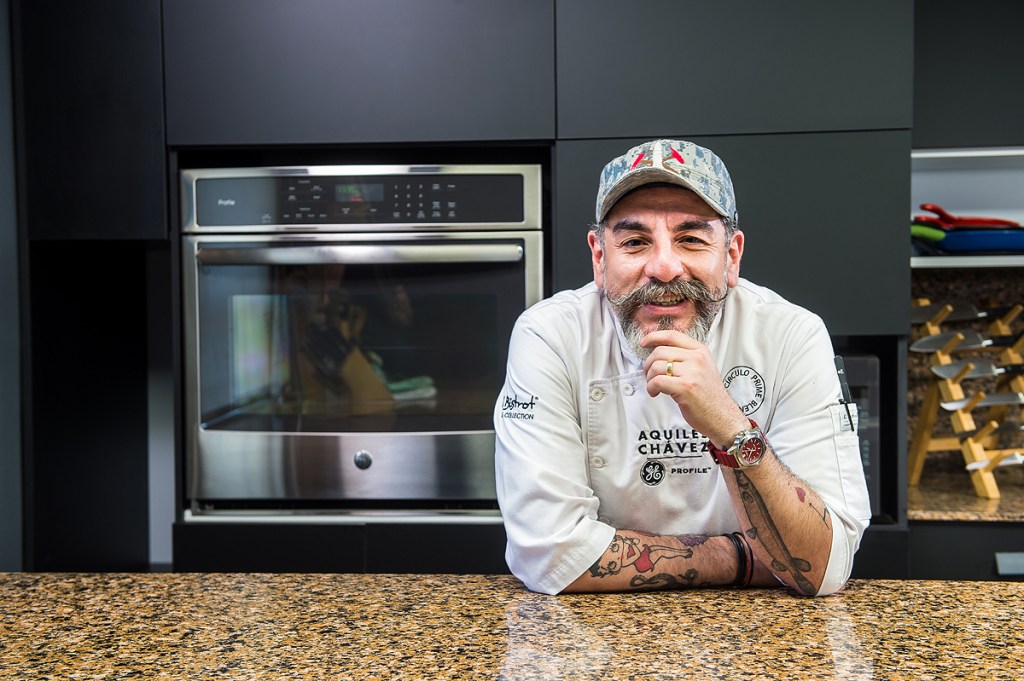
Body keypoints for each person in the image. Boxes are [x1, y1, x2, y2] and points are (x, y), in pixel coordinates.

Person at [493, 139, 871, 597]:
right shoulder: (551, 336)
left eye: (691, 239)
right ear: (599, 257)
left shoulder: (791, 335)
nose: (665, 267)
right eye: (635, 242)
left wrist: (729, 426)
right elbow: (548, 554)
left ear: (731, 256)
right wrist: (742, 556)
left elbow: (825, 566)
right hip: (596, 634)